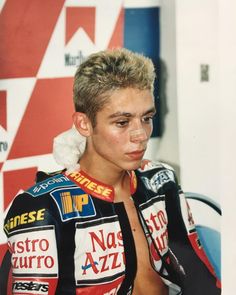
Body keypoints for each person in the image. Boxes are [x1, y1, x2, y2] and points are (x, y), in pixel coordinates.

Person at [2, 48, 221, 295]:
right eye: (122, 122)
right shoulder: (42, 207)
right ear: (84, 124)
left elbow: (196, 276)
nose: (140, 135)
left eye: (147, 118)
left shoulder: (160, 181)